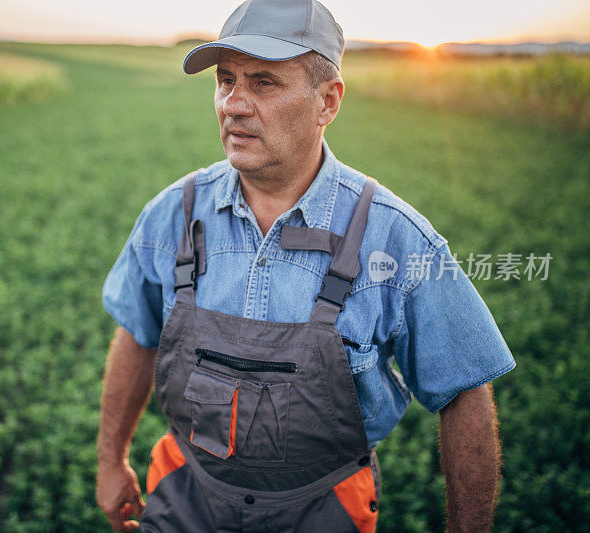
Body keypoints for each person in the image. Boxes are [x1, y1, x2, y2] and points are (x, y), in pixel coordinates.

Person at [96, 0, 516, 531]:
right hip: (186, 493)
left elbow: (464, 391)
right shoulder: (172, 216)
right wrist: (110, 461)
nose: (234, 104)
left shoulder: (393, 238)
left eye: (264, 83)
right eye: (226, 81)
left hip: (323, 507)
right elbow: (137, 334)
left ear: (328, 101)